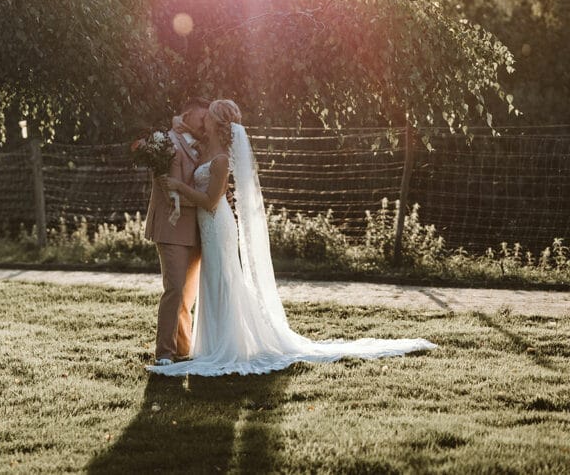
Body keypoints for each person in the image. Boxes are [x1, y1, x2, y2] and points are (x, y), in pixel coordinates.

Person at [148, 99, 436, 376]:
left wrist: (180, 187)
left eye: (208, 116)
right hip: (207, 227)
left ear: (217, 123)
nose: (203, 119)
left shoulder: (220, 158)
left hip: (215, 223)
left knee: (224, 279)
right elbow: (185, 137)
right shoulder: (201, 148)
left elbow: (211, 200)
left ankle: (226, 343)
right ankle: (209, 344)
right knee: (213, 282)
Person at [145, 98, 209, 365]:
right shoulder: (167, 142)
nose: (205, 123)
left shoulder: (205, 144)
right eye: (201, 118)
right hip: (172, 227)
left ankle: (183, 347)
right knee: (174, 289)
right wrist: (206, 201)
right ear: (187, 114)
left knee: (188, 294)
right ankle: (164, 352)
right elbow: (169, 189)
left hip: (197, 227)